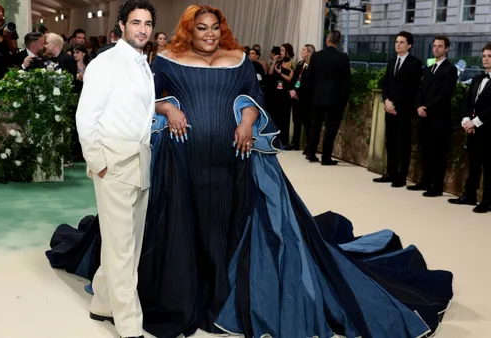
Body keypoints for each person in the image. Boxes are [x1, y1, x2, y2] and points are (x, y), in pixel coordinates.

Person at [47, 5, 453, 338]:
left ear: (222, 29)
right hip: (180, 166)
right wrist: (168, 107)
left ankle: (205, 291)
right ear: (187, 29)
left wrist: (245, 120)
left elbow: (253, 95)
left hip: (232, 166)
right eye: (200, 27)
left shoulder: (239, 59)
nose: (208, 33)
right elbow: (144, 101)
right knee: (152, 233)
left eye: (214, 27)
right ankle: (135, 310)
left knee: (224, 226)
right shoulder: (162, 60)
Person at [75, 1, 156, 337]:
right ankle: (129, 325)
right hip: (114, 164)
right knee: (122, 247)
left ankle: (103, 302)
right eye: (135, 22)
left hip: (140, 162)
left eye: (148, 23)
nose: (142, 29)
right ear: (121, 25)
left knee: (126, 243)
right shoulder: (105, 63)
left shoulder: (143, 63)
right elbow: (85, 117)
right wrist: (100, 164)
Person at [374, 31, 423, 187]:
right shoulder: (392, 60)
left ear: (409, 45)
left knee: (403, 143)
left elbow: (412, 88)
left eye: (401, 42)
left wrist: (395, 103)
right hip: (390, 109)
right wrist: (387, 101)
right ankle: (390, 172)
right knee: (390, 141)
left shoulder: (414, 63)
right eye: (396, 41)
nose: (398, 44)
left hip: (403, 110)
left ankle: (401, 176)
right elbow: (386, 83)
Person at [410, 36, 457, 197]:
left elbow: (445, 94)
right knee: (425, 151)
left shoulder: (450, 69)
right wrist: (418, 106)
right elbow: (420, 90)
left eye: (440, 46)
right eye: (434, 46)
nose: (436, 48)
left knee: (438, 153)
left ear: (446, 49)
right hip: (424, 117)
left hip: (439, 118)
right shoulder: (428, 69)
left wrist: (427, 108)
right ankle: (424, 180)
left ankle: (436, 186)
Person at [448, 43, 491, 213]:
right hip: (473, 129)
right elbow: (467, 101)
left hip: (488, 130)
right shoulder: (477, 78)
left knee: (488, 168)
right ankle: (469, 195)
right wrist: (466, 120)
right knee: (473, 164)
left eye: (489, 56)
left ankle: (487, 201)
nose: (486, 59)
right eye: (484, 56)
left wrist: (476, 121)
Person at [302, 31, 351, 165]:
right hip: (335, 99)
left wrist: (314, 92)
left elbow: (309, 77)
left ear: (327, 40)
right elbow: (346, 82)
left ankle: (311, 153)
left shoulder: (316, 56)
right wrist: (344, 99)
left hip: (317, 97)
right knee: (331, 128)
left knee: (315, 126)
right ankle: (326, 157)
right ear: (338, 42)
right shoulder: (343, 58)